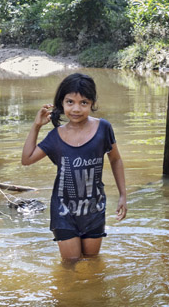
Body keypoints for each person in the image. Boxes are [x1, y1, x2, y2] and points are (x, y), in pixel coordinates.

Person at [22, 73, 127, 261]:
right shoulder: (56, 136)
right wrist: (36, 126)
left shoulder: (103, 128)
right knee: (70, 263)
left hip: (94, 208)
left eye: (83, 103)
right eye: (70, 102)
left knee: (92, 262)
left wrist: (122, 195)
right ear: (61, 104)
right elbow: (27, 159)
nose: (76, 109)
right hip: (63, 211)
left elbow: (116, 160)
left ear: (92, 103)